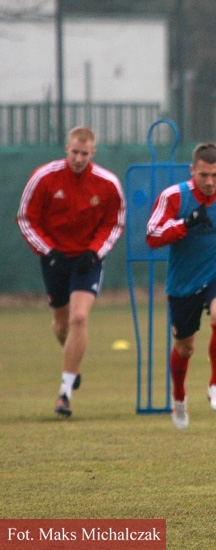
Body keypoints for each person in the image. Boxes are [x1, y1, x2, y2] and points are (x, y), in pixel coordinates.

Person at [17, 126, 126, 418]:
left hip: (87, 261)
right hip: (55, 259)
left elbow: (115, 223)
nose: (78, 158)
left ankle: (64, 393)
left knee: (79, 318)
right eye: (75, 152)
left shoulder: (107, 183)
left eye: (84, 154)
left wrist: (94, 252)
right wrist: (50, 251)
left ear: (93, 153)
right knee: (62, 325)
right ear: (67, 149)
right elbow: (27, 218)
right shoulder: (45, 177)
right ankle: (72, 363)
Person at [146, 142, 216, 429]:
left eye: (215, 175)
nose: (209, 181)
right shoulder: (173, 196)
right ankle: (179, 397)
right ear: (192, 170)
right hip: (185, 281)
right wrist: (185, 224)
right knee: (185, 347)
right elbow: (153, 235)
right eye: (203, 175)